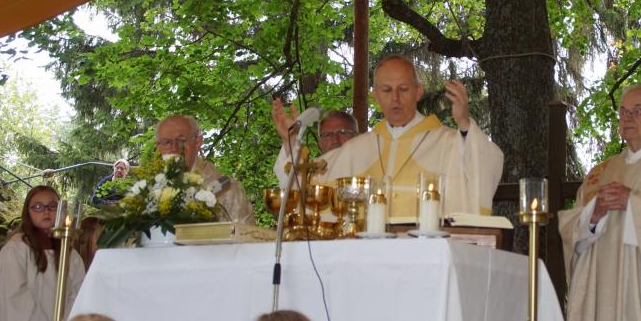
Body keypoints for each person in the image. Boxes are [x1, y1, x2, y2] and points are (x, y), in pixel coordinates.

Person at [272, 54, 504, 217]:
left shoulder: (449, 142)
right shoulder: (356, 150)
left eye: (403, 89)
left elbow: (485, 167)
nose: (395, 98)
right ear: (375, 95)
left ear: (418, 91)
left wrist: (464, 123)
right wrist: (289, 142)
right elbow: (303, 188)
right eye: (386, 90)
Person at [558, 85, 641, 321]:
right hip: (599, 285)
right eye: (623, 112)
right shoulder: (599, 173)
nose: (628, 118)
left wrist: (632, 203)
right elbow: (571, 231)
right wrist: (594, 214)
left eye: (638, 111)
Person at [0, 185, 86, 321]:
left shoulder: (70, 253)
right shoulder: (16, 248)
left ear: (61, 210)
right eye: (37, 207)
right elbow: (14, 294)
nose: (46, 212)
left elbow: (78, 293)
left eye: (52, 206)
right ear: (27, 212)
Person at [155, 115, 256, 225]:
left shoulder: (227, 190)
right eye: (166, 142)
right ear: (158, 147)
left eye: (181, 140)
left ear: (198, 143)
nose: (174, 148)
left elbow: (246, 237)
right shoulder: (147, 189)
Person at [273, 109, 358, 183]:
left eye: (342, 132)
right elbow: (290, 183)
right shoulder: (312, 173)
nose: (335, 140)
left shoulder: (369, 164)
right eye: (327, 134)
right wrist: (290, 140)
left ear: (357, 137)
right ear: (320, 144)